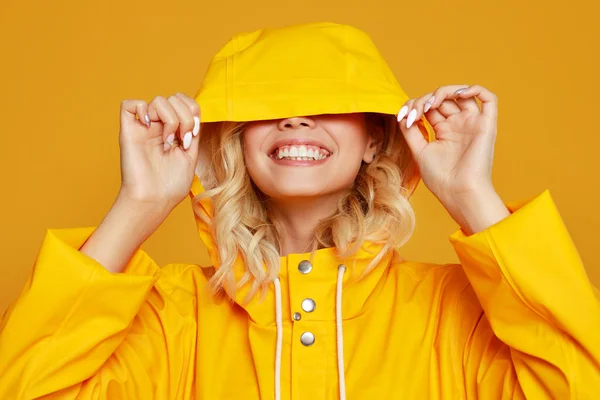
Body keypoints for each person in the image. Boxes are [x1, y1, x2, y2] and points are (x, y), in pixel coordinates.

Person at [0, 21, 599, 400]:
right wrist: (139, 204)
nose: (296, 118)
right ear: (236, 138)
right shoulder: (173, 316)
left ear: (374, 138)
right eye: (271, 106)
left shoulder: (454, 313)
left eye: (328, 102)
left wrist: (472, 194)